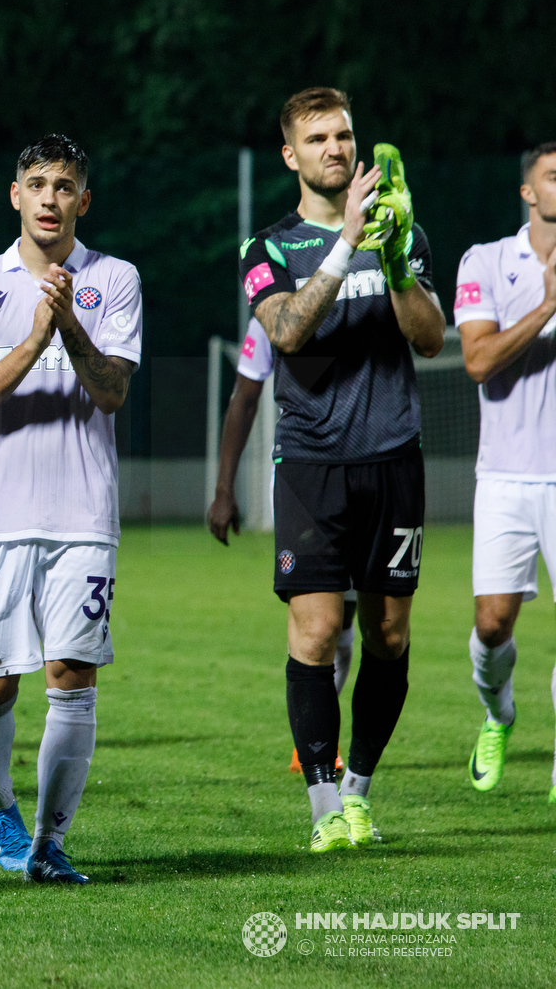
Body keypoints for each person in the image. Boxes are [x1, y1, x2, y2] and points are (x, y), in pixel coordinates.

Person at [241, 87, 444, 853]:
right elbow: (290, 333)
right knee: (319, 627)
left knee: (389, 633)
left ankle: (359, 790)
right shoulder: (267, 249)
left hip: (393, 457)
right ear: (291, 155)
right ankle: (322, 802)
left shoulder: (404, 233)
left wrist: (391, 259)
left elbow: (429, 338)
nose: (336, 147)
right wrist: (345, 242)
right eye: (318, 137)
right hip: (313, 464)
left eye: (344, 135)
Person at [0, 134, 141, 885]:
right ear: (15, 195)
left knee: (71, 672)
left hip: (84, 514)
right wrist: (37, 335)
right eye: (38, 182)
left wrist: (74, 325)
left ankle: (50, 842)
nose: (51, 197)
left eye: (65, 185)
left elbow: (112, 391)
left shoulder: (115, 278)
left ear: (82, 201)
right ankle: (0, 807)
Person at [206, 317, 355, 772]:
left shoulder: (364, 294)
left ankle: (319, 729)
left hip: (367, 472)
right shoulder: (272, 313)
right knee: (315, 620)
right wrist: (225, 489)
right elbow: (245, 396)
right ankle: (316, 744)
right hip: (303, 479)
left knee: (347, 625)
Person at [454, 141, 556, 796]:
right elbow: (479, 360)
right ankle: (499, 712)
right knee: (492, 624)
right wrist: (548, 305)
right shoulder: (487, 260)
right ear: (529, 192)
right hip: (506, 478)